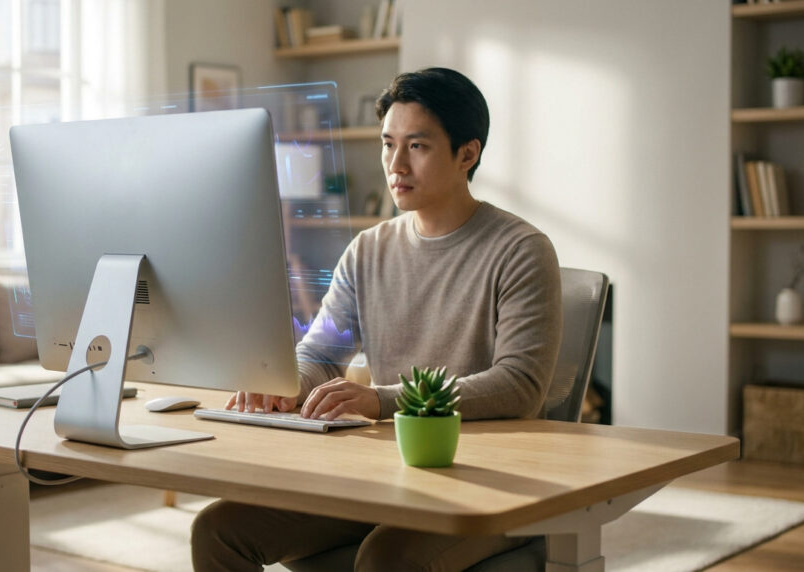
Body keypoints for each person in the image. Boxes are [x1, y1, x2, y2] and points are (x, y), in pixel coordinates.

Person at [191, 67, 563, 571]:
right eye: (388, 144)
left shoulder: (521, 250)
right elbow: (322, 354)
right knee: (217, 530)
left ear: (467, 154)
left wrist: (382, 400)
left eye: (418, 146)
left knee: (387, 557)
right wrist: (282, 384)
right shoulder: (367, 250)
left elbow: (520, 386)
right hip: (385, 472)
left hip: (489, 486)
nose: (396, 165)